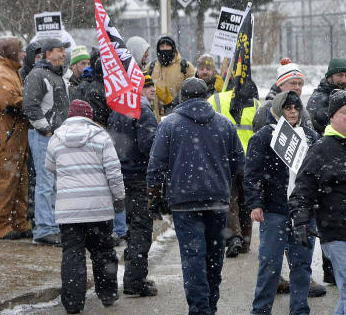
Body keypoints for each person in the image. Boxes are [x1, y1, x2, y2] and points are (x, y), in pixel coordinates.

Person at [147, 77, 244, 315]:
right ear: (205, 97)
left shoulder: (170, 125)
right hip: (217, 200)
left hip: (184, 202)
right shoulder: (225, 125)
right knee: (213, 256)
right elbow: (239, 164)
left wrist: (153, 195)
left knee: (193, 257)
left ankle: (200, 308)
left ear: (182, 98)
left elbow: (156, 164)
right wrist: (225, 183)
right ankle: (210, 304)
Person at [290, 89, 346, 315]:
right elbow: (303, 189)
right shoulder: (322, 149)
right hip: (343, 237)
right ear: (332, 118)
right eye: (345, 112)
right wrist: (300, 222)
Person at [244, 90, 320, 315]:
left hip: (303, 212)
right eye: (288, 108)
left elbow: (318, 173)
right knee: (270, 266)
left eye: (297, 108)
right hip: (274, 210)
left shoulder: (310, 136)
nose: (293, 111)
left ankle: (300, 310)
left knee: (302, 265)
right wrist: (255, 204)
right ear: (278, 109)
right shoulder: (264, 136)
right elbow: (252, 174)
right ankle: (260, 311)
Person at [46, 100, 124, 314]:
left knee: (72, 254)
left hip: (69, 211)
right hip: (98, 207)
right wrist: (119, 197)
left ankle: (72, 302)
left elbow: (49, 166)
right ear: (89, 117)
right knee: (103, 251)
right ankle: (107, 294)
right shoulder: (101, 137)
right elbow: (113, 172)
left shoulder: (56, 139)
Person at [106, 74, 159, 297]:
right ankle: (135, 280)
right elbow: (149, 146)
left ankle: (132, 276)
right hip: (139, 178)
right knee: (140, 230)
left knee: (131, 229)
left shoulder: (117, 110)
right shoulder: (142, 111)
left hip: (121, 176)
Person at [22, 37, 70, 247]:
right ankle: (44, 228)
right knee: (45, 182)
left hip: (58, 137)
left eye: (64, 50)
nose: (63, 54)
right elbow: (30, 107)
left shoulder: (59, 76)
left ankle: (53, 225)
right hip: (44, 137)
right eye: (60, 50)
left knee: (56, 183)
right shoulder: (38, 74)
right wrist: (46, 130)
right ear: (48, 53)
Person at [0, 36, 32, 240]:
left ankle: (19, 222)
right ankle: (0, 226)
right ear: (11, 52)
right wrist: (33, 101)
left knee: (20, 180)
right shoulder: (0, 73)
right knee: (4, 181)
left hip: (16, 135)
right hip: (5, 134)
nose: (23, 54)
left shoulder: (12, 71)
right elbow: (10, 102)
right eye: (20, 50)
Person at [208, 78, 259, 257]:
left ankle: (233, 237)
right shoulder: (256, 104)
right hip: (249, 162)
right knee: (246, 202)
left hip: (225, 160)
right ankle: (245, 241)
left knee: (230, 201)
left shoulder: (215, 100)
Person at [253, 60, 311, 133]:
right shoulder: (266, 109)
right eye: (293, 83)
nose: (297, 87)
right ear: (280, 84)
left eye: (300, 84)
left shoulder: (302, 109)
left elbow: (310, 136)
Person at [147, 35, 191, 119]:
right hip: (155, 117)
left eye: (168, 46)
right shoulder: (151, 66)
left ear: (173, 48)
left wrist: (174, 101)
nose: (165, 49)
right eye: (162, 46)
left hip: (179, 115)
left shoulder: (185, 66)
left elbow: (193, 88)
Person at [307, 57, 346, 135]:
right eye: (340, 75)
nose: (344, 80)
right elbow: (338, 128)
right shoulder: (318, 98)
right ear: (329, 77)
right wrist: (344, 101)